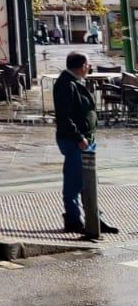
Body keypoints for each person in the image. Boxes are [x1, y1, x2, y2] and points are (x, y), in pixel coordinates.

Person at [53, 52, 119, 235]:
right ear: (82, 65)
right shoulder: (66, 84)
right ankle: (73, 219)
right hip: (76, 141)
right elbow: (63, 116)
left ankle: (94, 217)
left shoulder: (75, 81)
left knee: (89, 181)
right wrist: (78, 137)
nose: (90, 67)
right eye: (88, 64)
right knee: (75, 181)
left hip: (86, 139)